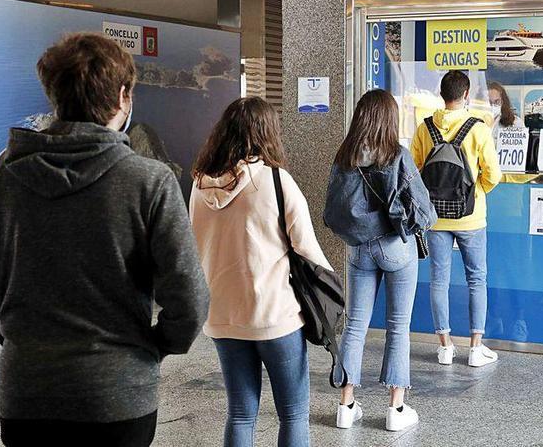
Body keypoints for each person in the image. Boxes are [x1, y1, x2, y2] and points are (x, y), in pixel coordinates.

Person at [0, 32, 209, 447]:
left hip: (26, 392)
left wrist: (20, 337)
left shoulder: (4, 173)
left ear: (54, 95)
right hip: (118, 397)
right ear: (124, 97)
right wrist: (150, 349)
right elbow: (189, 298)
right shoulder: (149, 181)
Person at [189, 97, 331, 447]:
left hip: (223, 315)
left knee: (239, 414)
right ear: (268, 133)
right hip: (274, 315)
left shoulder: (199, 184)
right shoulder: (276, 181)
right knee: (293, 414)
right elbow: (309, 251)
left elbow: (193, 244)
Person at [324, 89, 437, 432]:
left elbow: (332, 208)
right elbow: (424, 211)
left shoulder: (344, 157)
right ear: (389, 119)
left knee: (356, 325)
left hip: (358, 248)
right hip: (394, 248)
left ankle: (346, 405)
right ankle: (396, 409)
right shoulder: (397, 155)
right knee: (398, 326)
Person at [410, 70, 503, 368]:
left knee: (439, 280)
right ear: (465, 96)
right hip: (471, 219)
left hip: (436, 219)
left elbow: (413, 172)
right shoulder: (478, 128)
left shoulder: (425, 128)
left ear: (441, 94)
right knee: (476, 278)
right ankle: (476, 348)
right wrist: (477, 194)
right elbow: (494, 174)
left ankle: (445, 346)